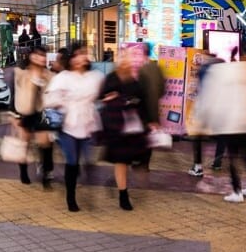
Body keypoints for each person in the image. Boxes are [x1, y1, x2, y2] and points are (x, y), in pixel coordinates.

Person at [194, 58, 246, 203]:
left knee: (232, 156)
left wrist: (202, 121)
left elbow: (208, 101)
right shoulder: (242, 70)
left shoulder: (215, 74)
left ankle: (237, 192)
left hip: (229, 122)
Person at [44, 49, 104, 212]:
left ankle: (82, 182)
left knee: (88, 160)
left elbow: (102, 93)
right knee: (72, 161)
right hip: (68, 123)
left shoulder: (95, 77)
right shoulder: (62, 78)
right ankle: (71, 197)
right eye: (76, 54)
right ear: (70, 59)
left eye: (83, 54)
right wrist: (63, 102)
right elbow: (50, 99)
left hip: (88, 122)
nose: (80, 57)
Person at [98, 51, 156, 210]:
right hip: (116, 127)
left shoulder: (134, 81)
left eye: (128, 60)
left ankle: (121, 181)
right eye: (123, 59)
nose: (126, 62)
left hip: (133, 127)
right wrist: (110, 97)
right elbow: (101, 96)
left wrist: (150, 121)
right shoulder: (111, 78)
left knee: (137, 158)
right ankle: (123, 194)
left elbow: (142, 102)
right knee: (121, 161)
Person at [14, 47, 55, 189]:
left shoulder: (50, 75)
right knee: (24, 144)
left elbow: (52, 95)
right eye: (37, 55)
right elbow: (17, 94)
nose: (40, 58)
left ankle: (46, 173)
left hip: (42, 113)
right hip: (25, 113)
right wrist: (15, 115)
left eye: (43, 55)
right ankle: (23, 171)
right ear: (31, 57)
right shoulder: (22, 74)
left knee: (45, 144)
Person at [188, 54, 226, 177]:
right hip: (219, 107)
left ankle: (198, 166)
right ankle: (217, 162)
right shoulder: (223, 71)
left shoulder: (204, 69)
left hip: (204, 107)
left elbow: (199, 89)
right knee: (221, 135)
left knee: (197, 136)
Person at [132, 44, 165, 171]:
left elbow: (138, 92)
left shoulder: (142, 70)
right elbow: (163, 89)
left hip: (144, 109)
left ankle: (140, 161)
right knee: (149, 136)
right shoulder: (157, 68)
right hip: (155, 107)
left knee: (141, 135)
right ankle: (145, 163)